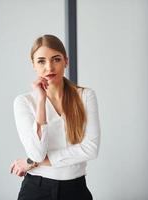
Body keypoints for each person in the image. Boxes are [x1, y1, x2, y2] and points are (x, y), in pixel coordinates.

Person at [9, 34, 101, 200]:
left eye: (56, 59)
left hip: (75, 190)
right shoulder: (23, 102)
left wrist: (31, 163)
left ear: (66, 61)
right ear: (33, 65)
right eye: (41, 61)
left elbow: (90, 149)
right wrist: (41, 101)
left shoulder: (85, 96)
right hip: (37, 190)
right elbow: (37, 153)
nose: (49, 67)